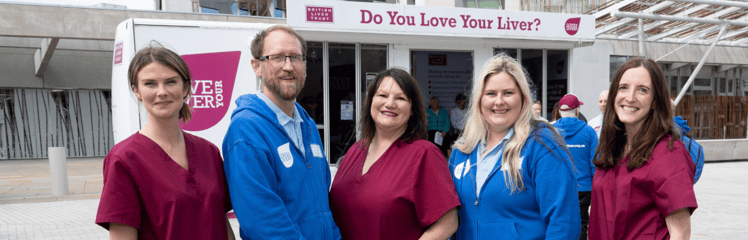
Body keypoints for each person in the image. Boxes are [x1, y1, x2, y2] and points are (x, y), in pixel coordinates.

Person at [96, 46, 234, 239]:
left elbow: (222, 222)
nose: (162, 92)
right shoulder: (124, 159)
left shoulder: (208, 152)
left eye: (170, 82)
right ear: (137, 91)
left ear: (185, 88)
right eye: (150, 84)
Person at [221, 25, 341, 239]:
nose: (288, 67)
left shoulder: (307, 125)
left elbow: (323, 205)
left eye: (295, 58)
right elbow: (264, 223)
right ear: (257, 66)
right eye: (277, 57)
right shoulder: (246, 131)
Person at [448, 53, 580, 240]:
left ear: (523, 98)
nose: (499, 101)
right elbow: (450, 219)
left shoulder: (543, 145)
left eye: (508, 93)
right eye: (491, 94)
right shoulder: (463, 150)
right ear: (479, 100)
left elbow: (563, 223)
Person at [329, 68, 460, 240]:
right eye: (382, 96)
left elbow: (447, 223)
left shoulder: (424, 154)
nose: (390, 103)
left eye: (400, 98)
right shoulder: (356, 150)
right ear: (370, 102)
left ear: (412, 109)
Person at [590, 57, 697, 240]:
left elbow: (680, 234)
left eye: (642, 90)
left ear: (655, 101)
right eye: (623, 87)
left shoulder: (667, 153)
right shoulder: (614, 148)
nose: (630, 98)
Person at [552, 94, 599, 240]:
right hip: (583, 187)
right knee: (582, 224)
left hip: (556, 187)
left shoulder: (549, 131)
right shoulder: (589, 131)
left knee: (558, 223)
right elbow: (595, 162)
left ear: (560, 111)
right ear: (577, 111)